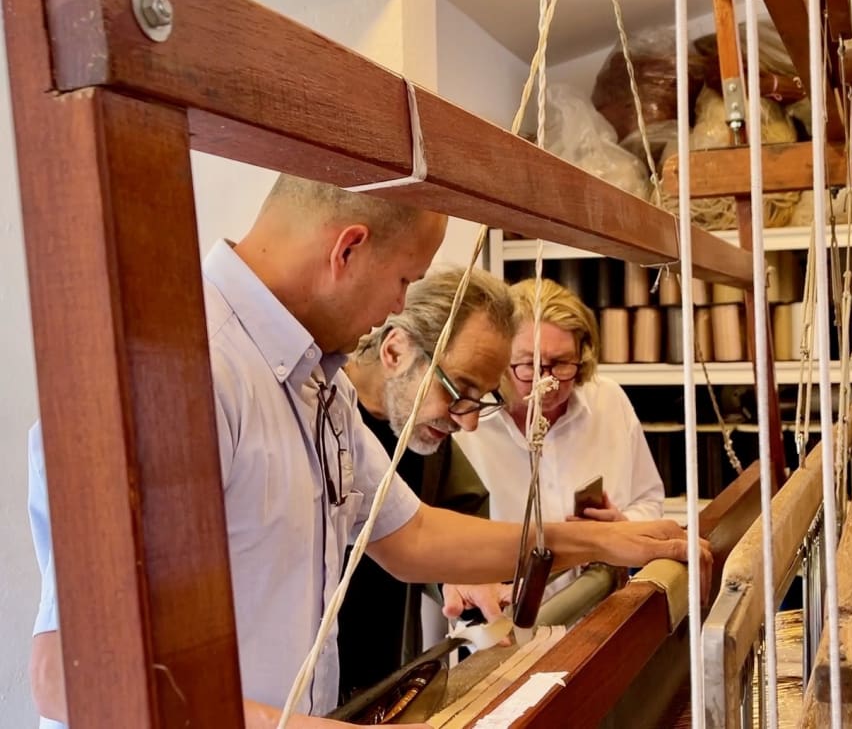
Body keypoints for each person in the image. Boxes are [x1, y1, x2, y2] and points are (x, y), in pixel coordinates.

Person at [27, 175, 707, 728]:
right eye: (406, 280)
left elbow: (410, 536)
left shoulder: (315, 387)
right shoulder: (178, 365)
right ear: (346, 250)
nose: (398, 307)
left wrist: (586, 541)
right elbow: (69, 676)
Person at [338, 266, 516, 699]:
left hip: (381, 687)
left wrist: (460, 575)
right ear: (395, 351)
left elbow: (456, 519)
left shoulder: (424, 436)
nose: (469, 423)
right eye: (460, 391)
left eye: (482, 399)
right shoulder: (321, 416)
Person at [456, 278, 667, 596]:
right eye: (529, 365)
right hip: (500, 624)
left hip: (600, 609)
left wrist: (622, 528)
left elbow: (648, 498)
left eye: (562, 364)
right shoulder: (467, 429)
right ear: (500, 359)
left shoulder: (608, 401)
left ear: (583, 356)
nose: (548, 382)